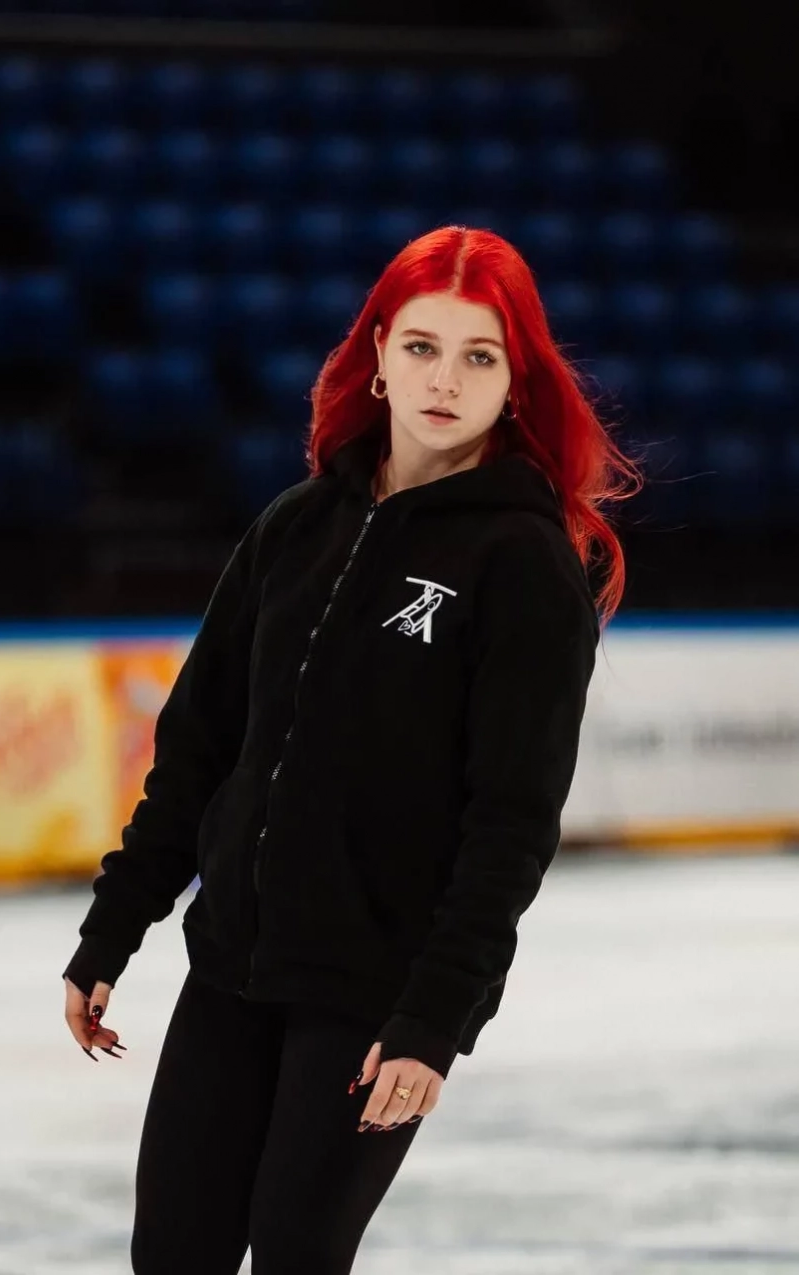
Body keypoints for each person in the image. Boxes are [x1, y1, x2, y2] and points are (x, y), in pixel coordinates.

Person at [62, 225, 642, 1273]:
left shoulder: (521, 563)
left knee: (297, 1255)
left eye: (478, 355)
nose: (444, 379)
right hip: (230, 970)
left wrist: (434, 1021)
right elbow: (198, 751)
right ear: (377, 353)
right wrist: (115, 926)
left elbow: (509, 827)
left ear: (516, 380)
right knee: (172, 1257)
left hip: (373, 995)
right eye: (421, 346)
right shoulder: (294, 527)